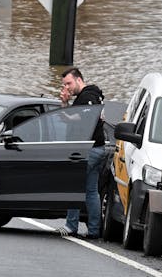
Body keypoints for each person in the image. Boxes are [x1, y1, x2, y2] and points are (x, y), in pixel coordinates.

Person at [58, 67, 106, 239]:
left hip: (89, 150)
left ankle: (71, 226)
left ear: (79, 80)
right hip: (96, 148)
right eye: (64, 84)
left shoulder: (88, 96)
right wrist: (65, 104)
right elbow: (70, 119)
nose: (67, 87)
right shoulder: (89, 96)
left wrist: (67, 108)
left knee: (74, 185)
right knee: (91, 190)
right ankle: (94, 230)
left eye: (69, 83)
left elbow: (81, 117)